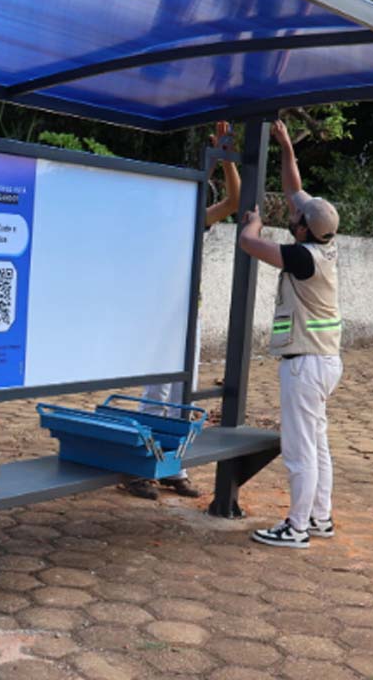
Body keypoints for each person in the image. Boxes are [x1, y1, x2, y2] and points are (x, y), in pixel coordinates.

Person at [237, 119, 343, 549]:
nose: (292, 211)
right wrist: (285, 146)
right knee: (317, 445)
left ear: (302, 229)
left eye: (295, 216)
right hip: (324, 362)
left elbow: (248, 244)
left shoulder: (302, 258)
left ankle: (296, 528)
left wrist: (254, 223)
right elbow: (293, 189)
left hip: (305, 365)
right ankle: (320, 517)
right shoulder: (324, 237)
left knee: (300, 450)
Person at [124, 120, 241, 500]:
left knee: (182, 396)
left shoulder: (192, 222)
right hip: (157, 318)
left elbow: (234, 201)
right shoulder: (150, 229)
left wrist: (223, 159)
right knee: (154, 395)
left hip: (188, 317)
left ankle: (174, 466)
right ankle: (141, 467)